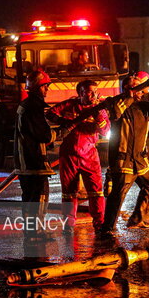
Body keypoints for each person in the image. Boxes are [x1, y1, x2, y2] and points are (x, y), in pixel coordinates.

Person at [100, 71, 149, 234]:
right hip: (123, 159)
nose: (140, 91)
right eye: (136, 88)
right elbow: (115, 113)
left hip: (139, 159)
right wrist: (131, 96)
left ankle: (137, 219)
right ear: (126, 88)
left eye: (141, 88)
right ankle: (107, 228)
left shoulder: (145, 102)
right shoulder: (116, 101)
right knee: (117, 195)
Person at [46, 80, 110, 234]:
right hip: (68, 155)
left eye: (95, 91)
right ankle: (68, 225)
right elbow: (50, 113)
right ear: (80, 93)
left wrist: (98, 114)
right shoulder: (69, 105)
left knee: (96, 192)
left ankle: (99, 224)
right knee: (69, 192)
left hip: (90, 155)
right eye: (89, 91)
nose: (93, 94)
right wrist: (65, 122)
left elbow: (105, 130)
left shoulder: (99, 108)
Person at [14, 69, 56, 241]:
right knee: (38, 198)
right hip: (33, 162)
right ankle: (35, 233)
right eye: (45, 86)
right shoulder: (34, 107)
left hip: (26, 161)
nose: (47, 90)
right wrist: (57, 133)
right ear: (39, 87)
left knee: (29, 199)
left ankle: (31, 232)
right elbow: (43, 135)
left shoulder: (26, 105)